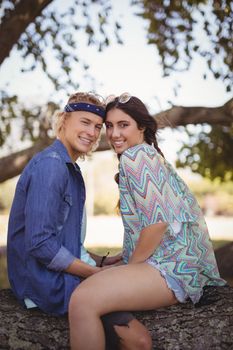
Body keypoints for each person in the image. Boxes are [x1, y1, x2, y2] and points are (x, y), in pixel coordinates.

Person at [68, 93, 226, 350]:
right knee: (97, 285)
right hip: (180, 266)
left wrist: (130, 266)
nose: (114, 133)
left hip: (171, 269)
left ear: (141, 127)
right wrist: (124, 256)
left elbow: (157, 225)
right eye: (109, 126)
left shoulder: (136, 157)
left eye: (123, 125)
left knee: (82, 300)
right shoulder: (149, 155)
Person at [7, 92, 151, 349]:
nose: (93, 133)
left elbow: (62, 240)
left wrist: (104, 261)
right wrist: (95, 274)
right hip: (43, 284)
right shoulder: (51, 166)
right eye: (85, 122)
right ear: (64, 120)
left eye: (97, 127)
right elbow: (40, 244)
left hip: (54, 276)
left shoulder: (70, 170)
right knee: (136, 339)